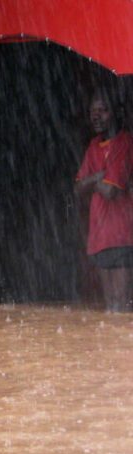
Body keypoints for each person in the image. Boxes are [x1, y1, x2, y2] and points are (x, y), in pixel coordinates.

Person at [74, 90, 133, 312]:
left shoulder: (124, 142)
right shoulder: (93, 146)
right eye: (93, 111)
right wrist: (99, 176)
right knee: (110, 308)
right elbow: (77, 188)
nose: (96, 116)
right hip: (99, 237)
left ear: (116, 113)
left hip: (122, 236)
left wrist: (92, 181)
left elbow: (110, 191)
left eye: (103, 110)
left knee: (122, 307)